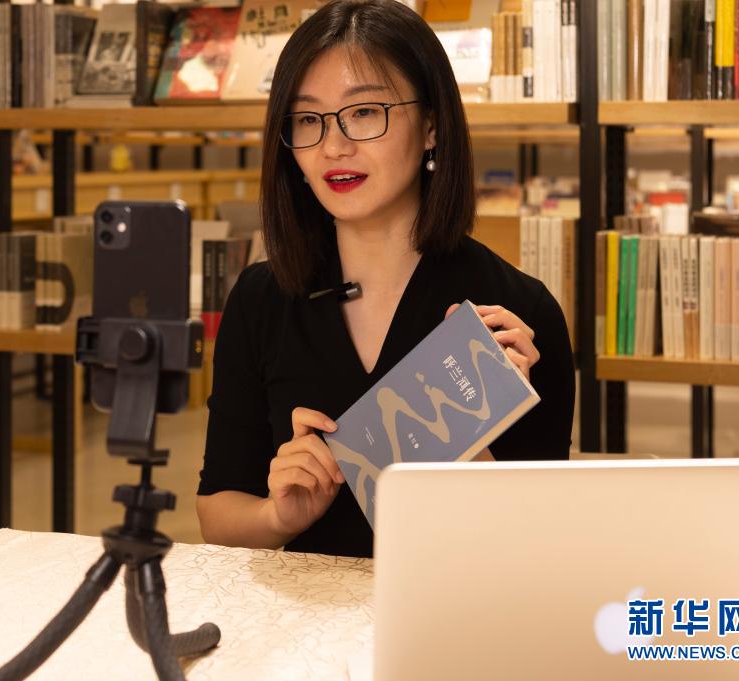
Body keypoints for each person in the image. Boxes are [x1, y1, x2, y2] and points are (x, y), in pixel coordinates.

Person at [196, 0, 575, 558]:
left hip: (451, 607)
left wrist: (470, 435)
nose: (334, 146)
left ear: (431, 126)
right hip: (302, 611)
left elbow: (540, 548)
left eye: (365, 112)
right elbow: (218, 513)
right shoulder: (261, 299)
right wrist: (278, 517)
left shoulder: (514, 317)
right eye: (308, 120)